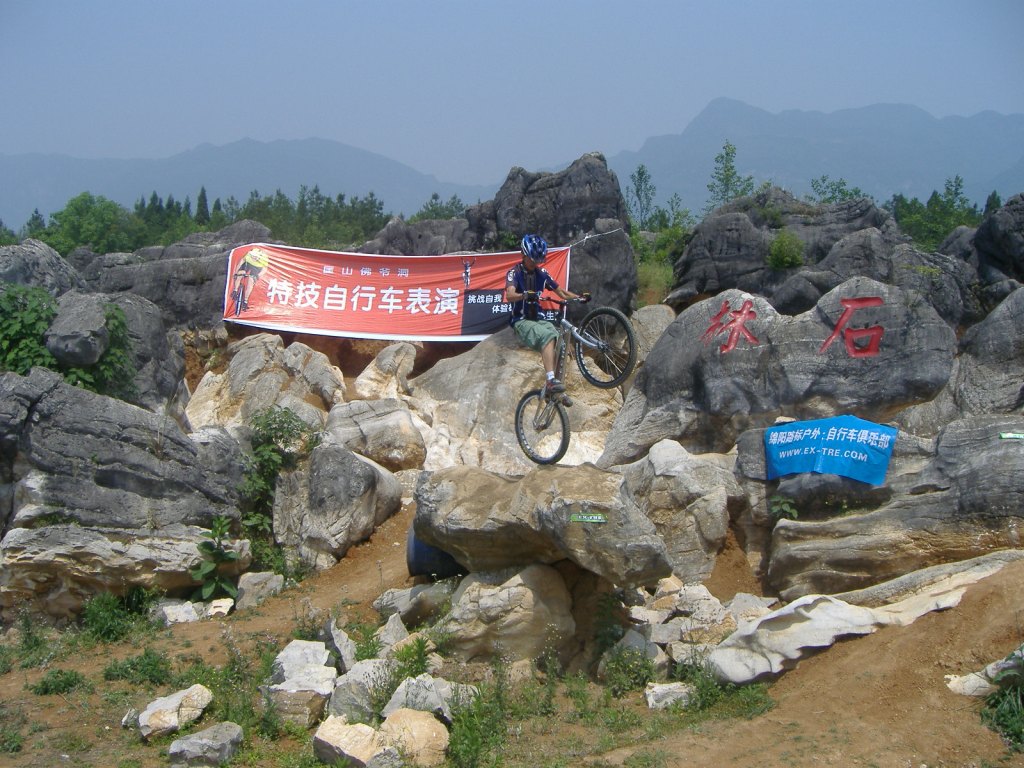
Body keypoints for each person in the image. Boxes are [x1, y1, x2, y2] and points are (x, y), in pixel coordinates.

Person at [505, 234, 588, 395]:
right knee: (547, 336)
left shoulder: (542, 273)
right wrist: (524, 295)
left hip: (539, 319)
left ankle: (556, 388)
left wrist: (579, 297)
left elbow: (561, 293)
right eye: (533, 259)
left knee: (561, 341)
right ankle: (550, 380)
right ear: (523, 254)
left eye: (538, 259)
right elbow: (509, 295)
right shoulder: (514, 273)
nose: (535, 263)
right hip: (521, 320)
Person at [231, 246, 271, 311]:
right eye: (253, 256)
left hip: (257, 267)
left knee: (251, 282)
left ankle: (245, 301)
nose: (254, 258)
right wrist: (236, 272)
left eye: (255, 257)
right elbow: (241, 262)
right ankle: (235, 291)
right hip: (248, 263)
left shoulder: (264, 258)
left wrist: (257, 276)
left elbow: (264, 269)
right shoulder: (249, 255)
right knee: (240, 273)